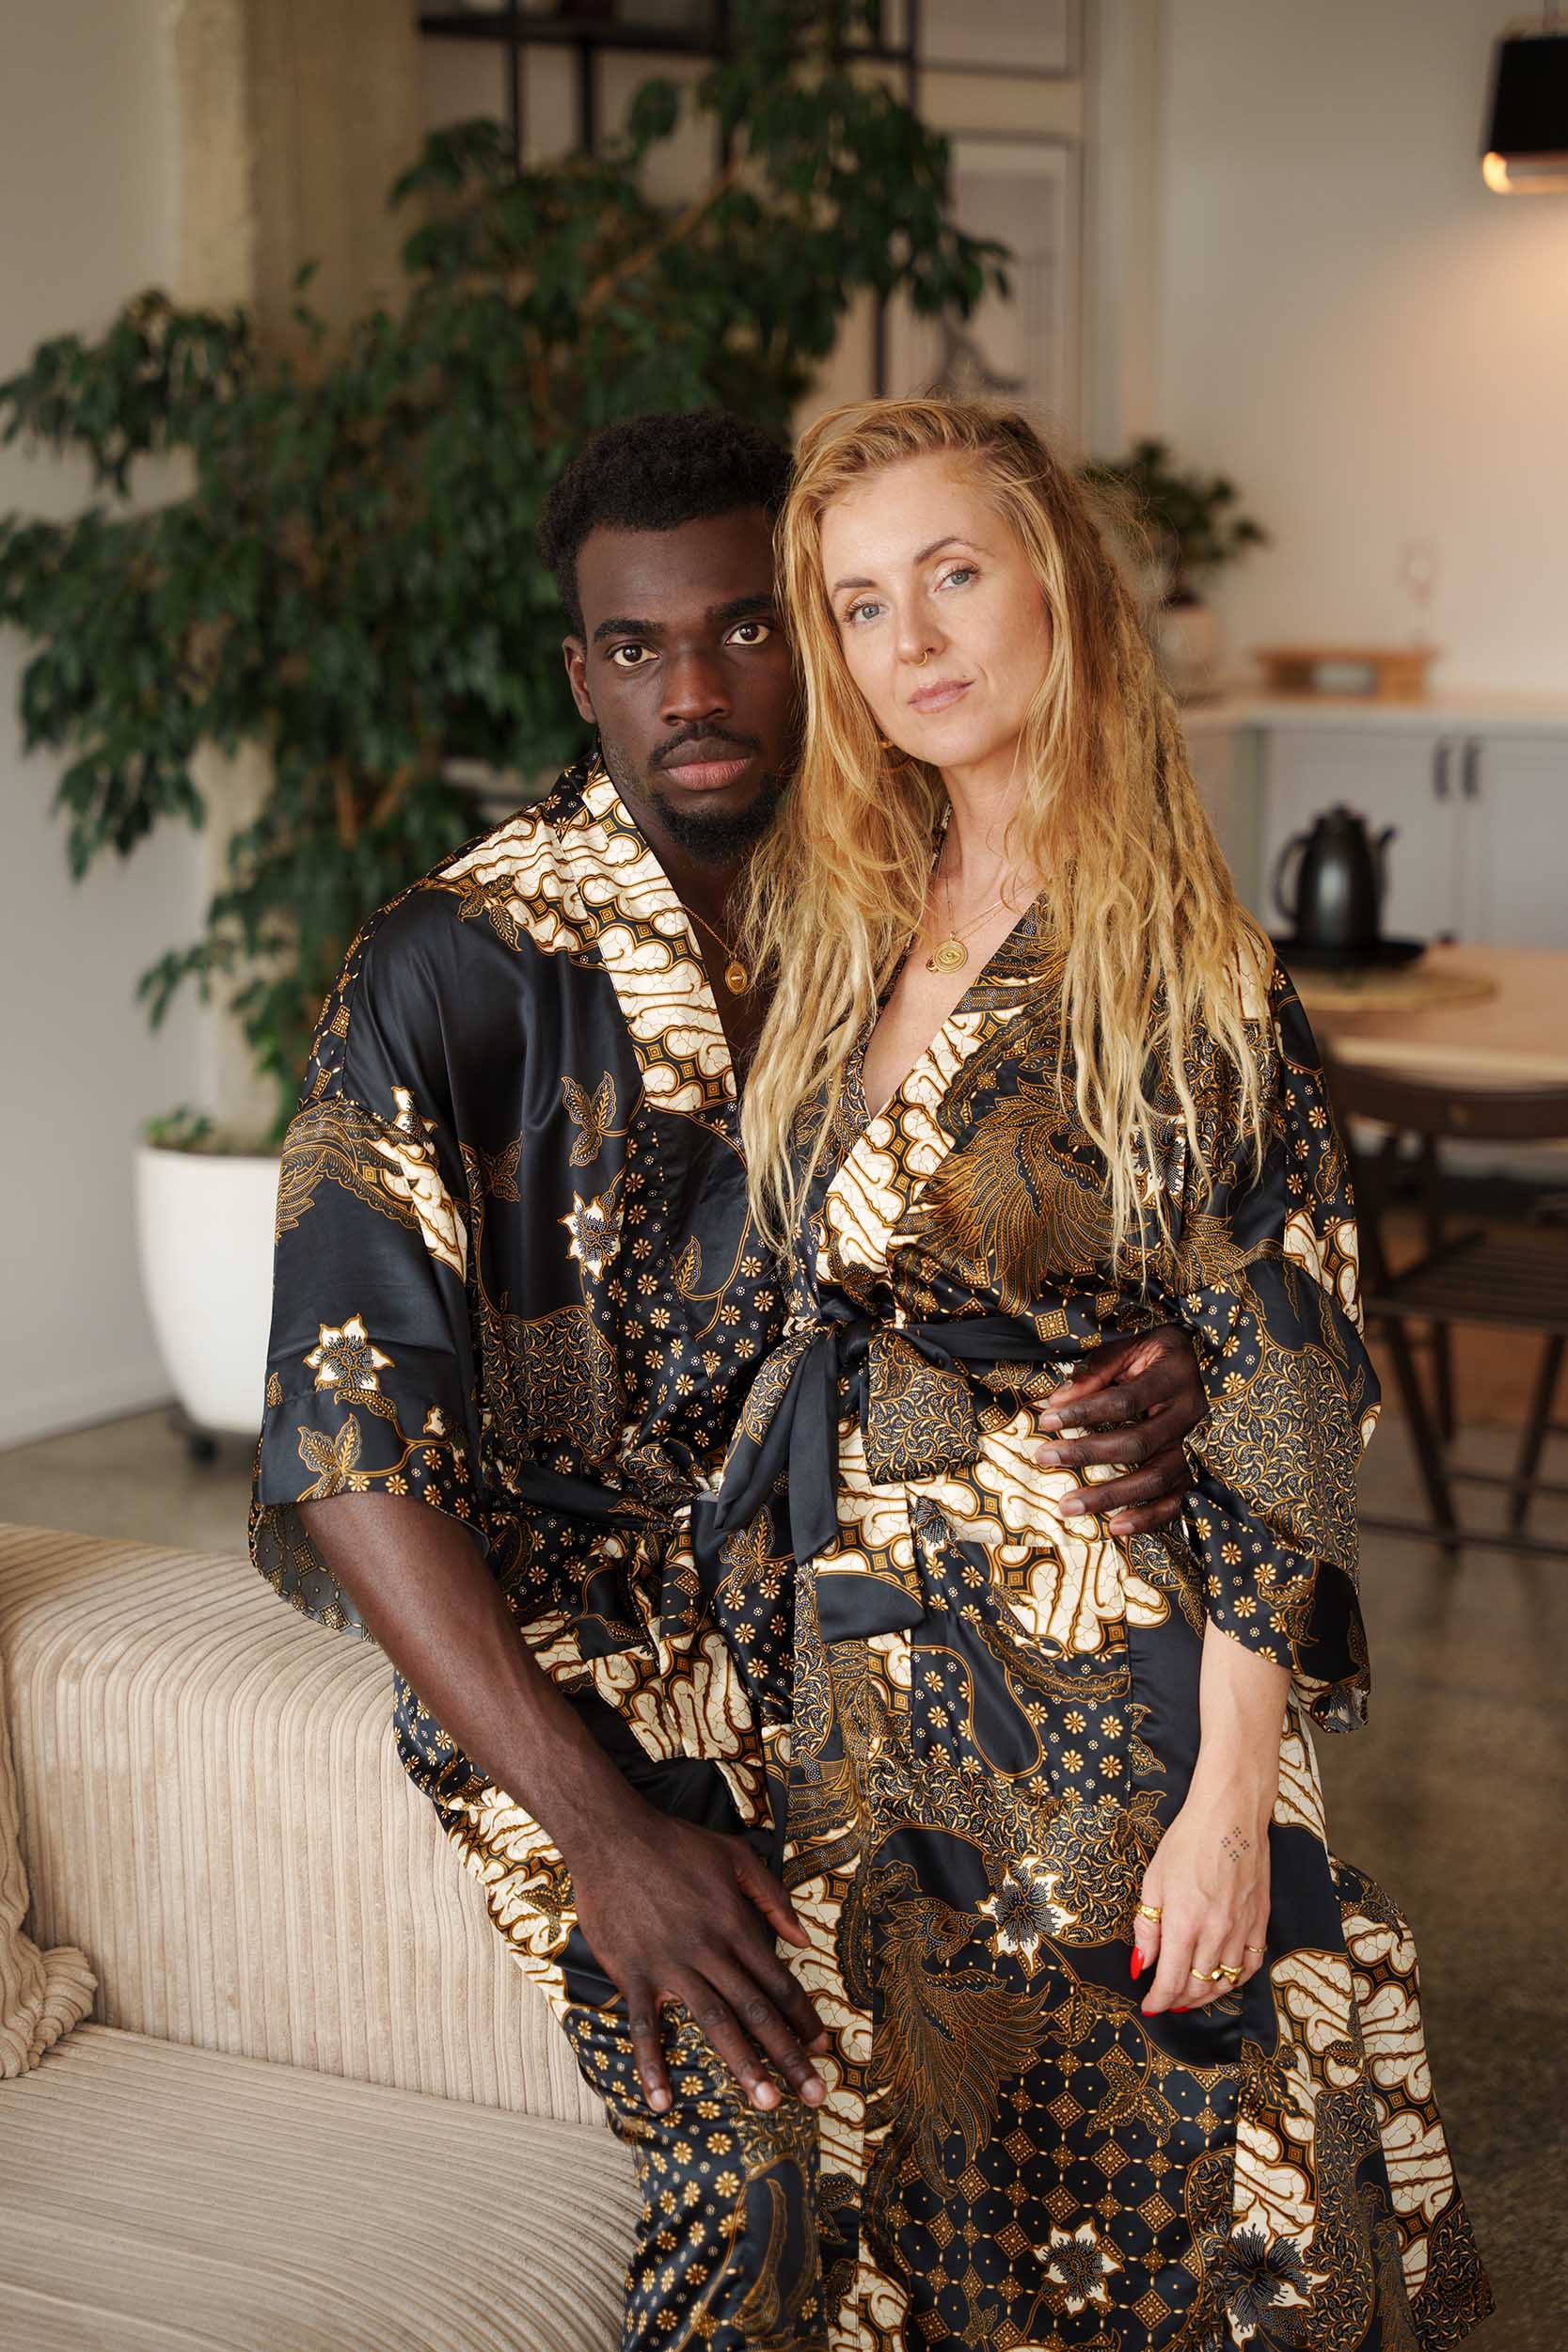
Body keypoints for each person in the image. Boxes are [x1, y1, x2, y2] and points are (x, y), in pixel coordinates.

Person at [248, 409, 1213, 2349]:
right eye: (636, 647)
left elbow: (1155, 1220)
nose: (692, 691)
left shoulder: (924, 900)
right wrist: (600, 1829)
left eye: (747, 629)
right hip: (592, 1646)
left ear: (820, 633)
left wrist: (1171, 1354)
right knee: (768, 2159)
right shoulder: (447, 965)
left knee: (1123, 2060)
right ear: (579, 675)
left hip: (899, 1596)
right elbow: (349, 1447)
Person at [706, 395, 1496, 2349]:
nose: (911, 640)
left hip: (1105, 1674)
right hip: (867, 1657)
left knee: (1149, 2169)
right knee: (929, 2169)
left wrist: (1232, 1797)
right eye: (861, 603)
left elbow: (1285, 1389)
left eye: (951, 573)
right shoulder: (841, 916)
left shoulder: (1183, 963)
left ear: (1054, 580)